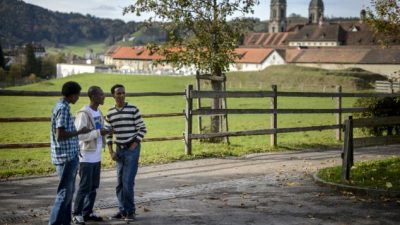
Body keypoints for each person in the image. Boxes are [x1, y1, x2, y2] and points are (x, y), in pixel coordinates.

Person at [49, 81, 91, 225]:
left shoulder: (61, 105)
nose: (78, 98)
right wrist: (79, 131)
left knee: (68, 193)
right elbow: (59, 134)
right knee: (64, 194)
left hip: (69, 156)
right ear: (72, 95)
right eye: (78, 95)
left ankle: (65, 222)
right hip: (66, 157)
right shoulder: (63, 108)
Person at [105, 84, 147, 222]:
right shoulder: (110, 113)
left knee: (128, 182)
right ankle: (122, 210)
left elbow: (142, 128)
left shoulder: (133, 109)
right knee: (119, 183)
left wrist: (134, 144)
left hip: (132, 149)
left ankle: (130, 212)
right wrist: (111, 152)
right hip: (119, 150)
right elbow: (108, 134)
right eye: (118, 93)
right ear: (113, 95)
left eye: (123, 93)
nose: (121, 95)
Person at [72, 86, 111, 225]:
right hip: (86, 157)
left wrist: (106, 131)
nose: (104, 96)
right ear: (93, 96)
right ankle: (76, 214)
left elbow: (99, 130)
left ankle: (87, 212)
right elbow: (80, 136)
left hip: (97, 156)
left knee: (93, 186)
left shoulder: (98, 112)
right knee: (84, 187)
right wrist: (99, 133)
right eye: (101, 94)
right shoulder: (83, 113)